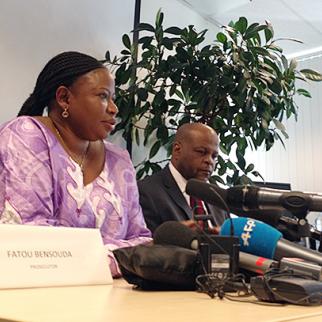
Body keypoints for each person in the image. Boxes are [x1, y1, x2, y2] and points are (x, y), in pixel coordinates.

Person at [0, 51, 151, 277]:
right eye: (102, 96)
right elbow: (31, 242)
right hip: (38, 300)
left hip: (115, 298)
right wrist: (120, 259)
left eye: (113, 98)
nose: (113, 108)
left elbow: (142, 242)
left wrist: (93, 261)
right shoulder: (26, 136)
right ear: (64, 98)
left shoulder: (119, 159)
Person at [138, 123, 227, 233]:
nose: (209, 161)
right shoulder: (146, 192)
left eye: (214, 156)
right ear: (177, 150)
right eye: (201, 152)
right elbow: (145, 244)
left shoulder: (216, 195)